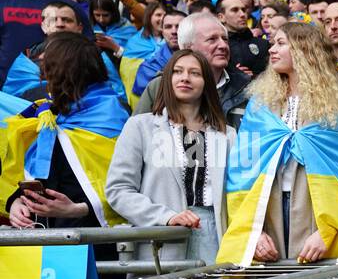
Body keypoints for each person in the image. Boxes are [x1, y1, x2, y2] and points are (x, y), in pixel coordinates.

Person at [217, 21, 338, 264]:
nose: (271, 49)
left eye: (281, 43)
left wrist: (330, 230)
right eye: (273, 43)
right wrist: (253, 232)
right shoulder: (260, 105)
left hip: (317, 210)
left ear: (305, 50)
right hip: (266, 207)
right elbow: (243, 169)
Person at [106, 49, 236, 263]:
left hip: (216, 237)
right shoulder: (140, 126)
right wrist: (165, 217)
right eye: (177, 71)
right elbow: (118, 190)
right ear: (167, 79)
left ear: (207, 83)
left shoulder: (228, 135)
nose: (185, 77)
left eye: (195, 73)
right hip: (163, 239)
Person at [4, 32, 127, 232]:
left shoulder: (113, 116)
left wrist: (77, 210)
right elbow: (39, 175)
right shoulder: (49, 115)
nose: (43, 76)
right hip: (49, 243)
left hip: (97, 244)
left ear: (66, 72)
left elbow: (128, 188)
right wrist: (17, 202)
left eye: (48, 68)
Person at [134, 13, 250, 125]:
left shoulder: (247, 87)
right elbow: (137, 135)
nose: (223, 46)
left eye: (225, 39)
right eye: (212, 39)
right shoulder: (160, 86)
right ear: (187, 47)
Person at [0, 0, 88, 87]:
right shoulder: (2, 2)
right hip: (5, 99)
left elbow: (85, 51)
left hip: (54, 95)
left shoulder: (69, 8)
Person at [216, 0, 270, 77]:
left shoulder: (263, 44)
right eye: (235, 10)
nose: (242, 14)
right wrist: (231, 75)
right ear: (221, 17)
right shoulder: (215, 47)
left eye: (244, 10)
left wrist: (254, 77)